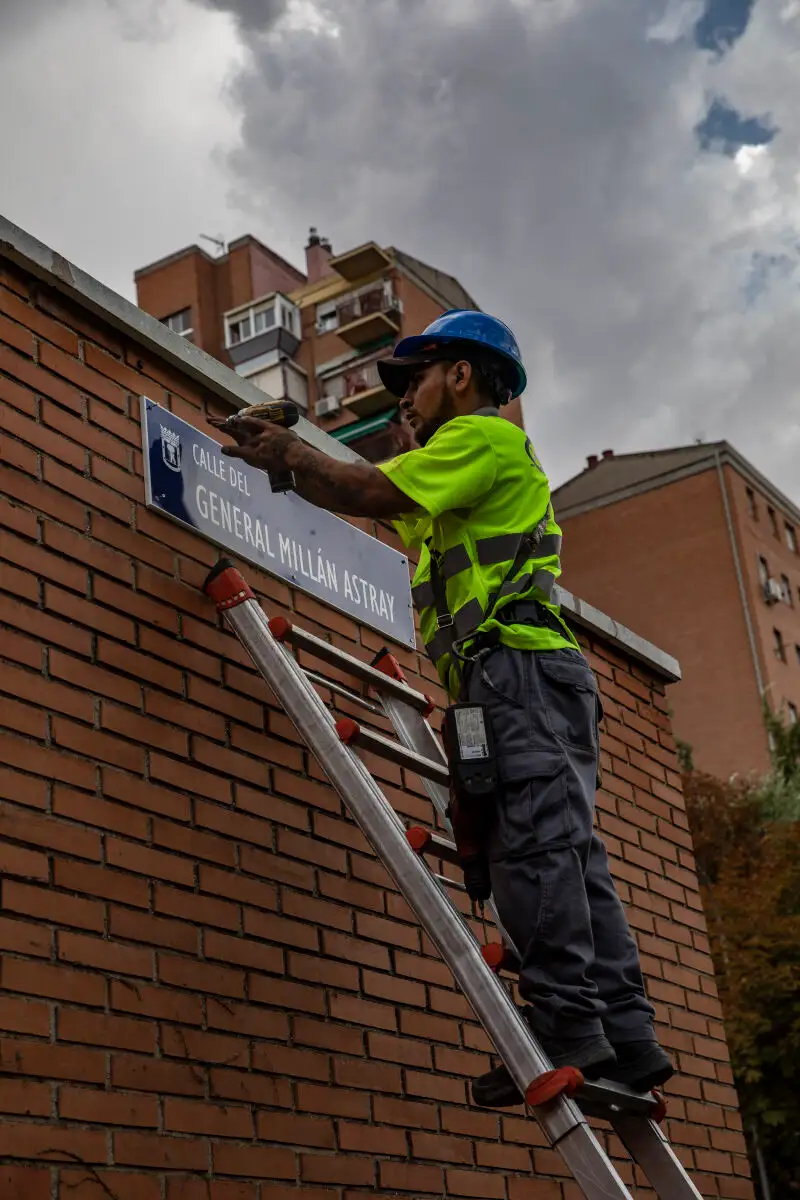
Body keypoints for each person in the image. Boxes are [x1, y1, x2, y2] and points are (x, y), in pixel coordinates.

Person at [209, 309, 674, 1106]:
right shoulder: (454, 476)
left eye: (415, 381)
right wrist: (290, 464)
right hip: (517, 683)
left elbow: (362, 487)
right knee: (568, 856)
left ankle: (568, 1032)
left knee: (530, 853)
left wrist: (283, 447)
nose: (405, 405)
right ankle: (625, 1040)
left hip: (516, 676)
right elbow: (368, 496)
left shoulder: (481, 437)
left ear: (462, 374)